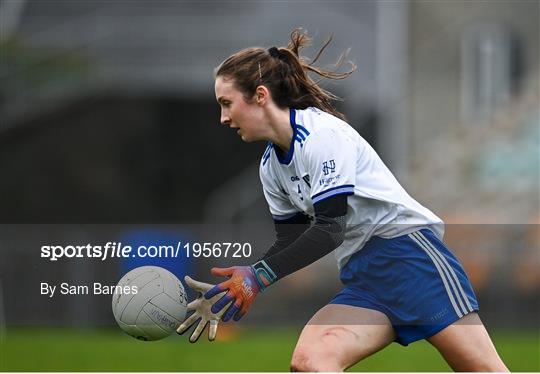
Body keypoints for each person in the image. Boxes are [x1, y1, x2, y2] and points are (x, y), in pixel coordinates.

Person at [177, 28, 508, 372]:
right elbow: (290, 240)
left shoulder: (322, 135)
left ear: (260, 96)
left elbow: (330, 229)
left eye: (226, 103)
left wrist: (257, 276)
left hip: (412, 261)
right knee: (311, 362)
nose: (223, 118)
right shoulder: (271, 166)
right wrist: (242, 284)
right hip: (363, 277)